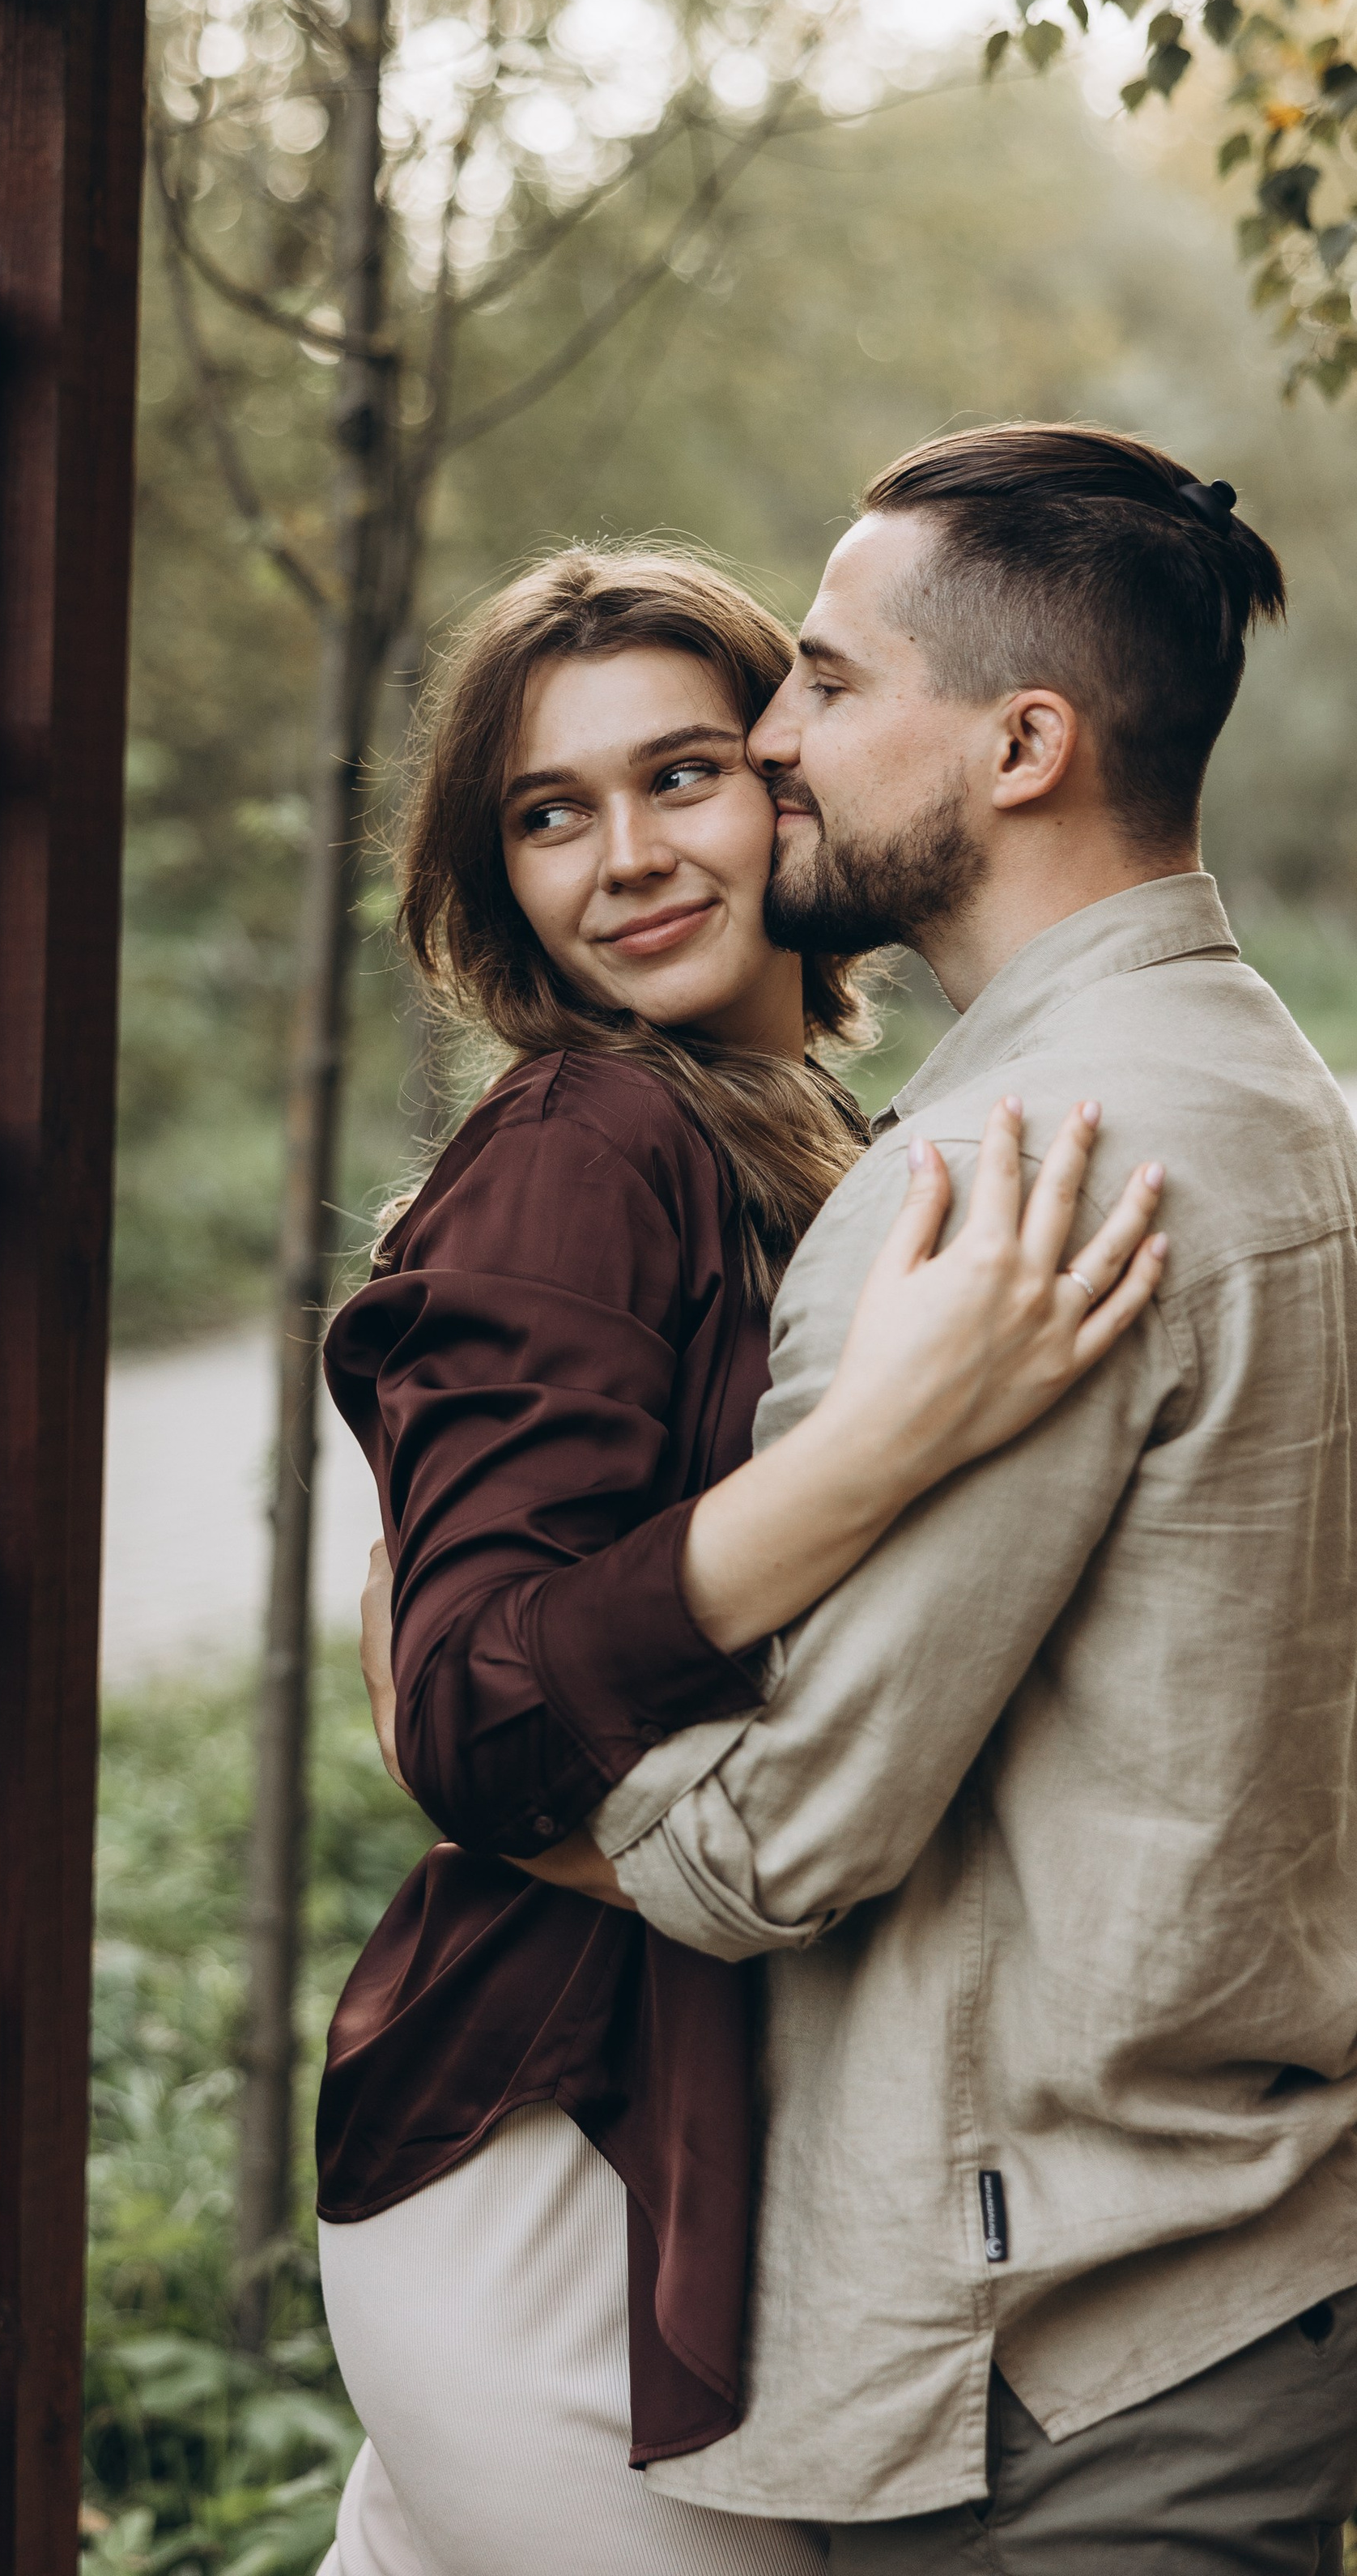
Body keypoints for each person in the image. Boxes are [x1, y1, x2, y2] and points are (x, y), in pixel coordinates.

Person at [533, 424, 1357, 2572]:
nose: (774, 740)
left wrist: (494, 1737)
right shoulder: (1290, 1103)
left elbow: (783, 1836)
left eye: (824, 679)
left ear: (1021, 743)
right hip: (1232, 2268)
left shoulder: (1014, 1184)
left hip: (1071, 2355)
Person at [312, 544, 1168, 2576]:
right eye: (546, 813)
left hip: (675, 2139)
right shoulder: (584, 1137)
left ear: (793, 778)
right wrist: (876, 1450)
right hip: (545, 2167)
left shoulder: (797, 1126)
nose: (621, 858)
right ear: (493, 874)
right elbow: (465, 1701)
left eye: (678, 775)